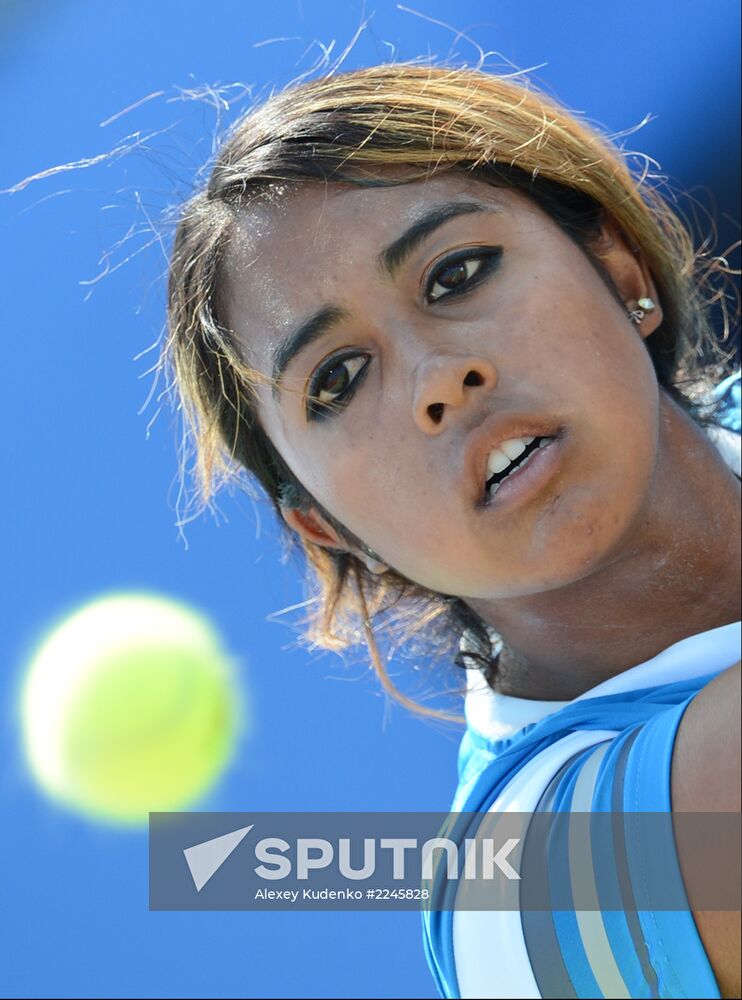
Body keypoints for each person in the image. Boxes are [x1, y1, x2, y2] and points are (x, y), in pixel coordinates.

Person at [162, 65, 741, 998]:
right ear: (331, 531)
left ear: (620, 268)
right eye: (339, 379)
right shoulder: (514, 906)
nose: (439, 379)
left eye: (456, 273)